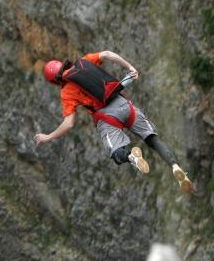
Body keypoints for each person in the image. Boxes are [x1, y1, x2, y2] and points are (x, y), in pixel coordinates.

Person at [34, 51, 192, 193]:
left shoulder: (66, 92)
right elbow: (107, 54)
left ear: (55, 82)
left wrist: (48, 136)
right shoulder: (84, 61)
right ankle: (175, 166)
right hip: (124, 105)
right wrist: (129, 67)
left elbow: (69, 123)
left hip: (106, 118)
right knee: (152, 138)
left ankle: (132, 157)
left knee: (117, 154)